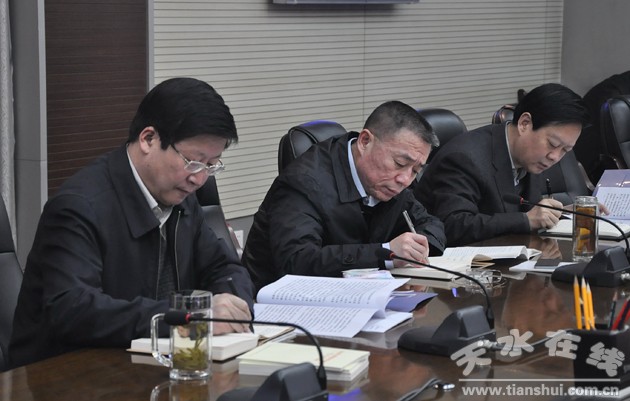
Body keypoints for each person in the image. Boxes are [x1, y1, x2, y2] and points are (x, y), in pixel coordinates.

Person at [9, 78, 254, 368]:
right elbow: (74, 311)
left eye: (211, 166)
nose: (199, 179)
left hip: (151, 366)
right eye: (193, 161)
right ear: (148, 139)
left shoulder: (182, 199)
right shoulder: (78, 208)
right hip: (64, 375)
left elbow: (224, 268)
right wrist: (187, 318)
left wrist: (232, 307)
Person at [242, 101, 446, 292]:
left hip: (360, 296)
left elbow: (431, 224)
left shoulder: (391, 181)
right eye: (400, 163)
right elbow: (297, 260)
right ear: (365, 141)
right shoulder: (304, 182)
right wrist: (386, 252)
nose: (405, 179)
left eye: (416, 170)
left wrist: (416, 247)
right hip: (282, 305)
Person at [415, 83, 591, 246]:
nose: (555, 157)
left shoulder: (530, 156)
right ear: (524, 124)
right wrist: (525, 220)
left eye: (565, 150)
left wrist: (563, 214)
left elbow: (524, 210)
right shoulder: (464, 158)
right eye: (552, 144)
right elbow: (452, 225)